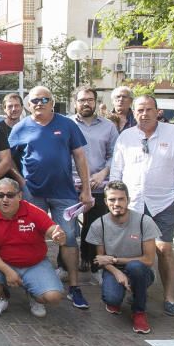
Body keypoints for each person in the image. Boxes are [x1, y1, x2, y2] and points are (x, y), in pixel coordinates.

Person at [109, 95, 174, 317]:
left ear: (157, 111)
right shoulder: (126, 137)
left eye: (149, 109)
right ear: (134, 112)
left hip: (164, 201)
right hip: (134, 202)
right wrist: (115, 197)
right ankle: (137, 289)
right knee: (134, 250)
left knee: (164, 249)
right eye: (140, 110)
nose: (144, 114)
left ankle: (169, 296)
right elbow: (117, 169)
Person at [8, 86, 93, 310]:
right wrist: (20, 180)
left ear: (52, 101)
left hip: (64, 193)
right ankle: (35, 287)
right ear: (28, 105)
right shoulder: (20, 127)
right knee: (30, 237)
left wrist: (86, 189)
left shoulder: (67, 125)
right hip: (32, 193)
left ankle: (74, 286)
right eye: (35, 100)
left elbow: (80, 157)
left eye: (45, 99)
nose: (39, 103)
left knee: (69, 238)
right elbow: (8, 159)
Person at [0, 178, 67, 319]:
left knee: (53, 297)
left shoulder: (33, 210)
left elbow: (51, 228)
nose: (5, 199)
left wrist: (57, 234)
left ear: (19, 196)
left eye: (10, 195)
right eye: (0, 195)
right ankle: (0, 299)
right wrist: (8, 271)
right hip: (3, 263)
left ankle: (33, 295)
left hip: (34, 264)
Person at [86, 181, 159, 335]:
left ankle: (139, 311)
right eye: (112, 199)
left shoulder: (144, 221)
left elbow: (148, 260)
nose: (116, 203)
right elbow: (101, 259)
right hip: (113, 270)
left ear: (128, 200)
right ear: (105, 201)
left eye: (121, 199)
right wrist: (117, 271)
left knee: (135, 268)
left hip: (141, 269)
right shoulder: (99, 225)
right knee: (112, 300)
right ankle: (118, 295)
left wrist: (114, 260)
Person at [69, 86, 119, 281]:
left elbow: (115, 154)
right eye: (82, 100)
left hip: (99, 184)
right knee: (68, 227)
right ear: (75, 103)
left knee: (95, 226)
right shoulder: (66, 124)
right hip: (71, 184)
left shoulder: (109, 127)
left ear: (96, 102)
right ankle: (66, 264)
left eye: (90, 100)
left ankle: (93, 263)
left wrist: (103, 173)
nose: (86, 103)